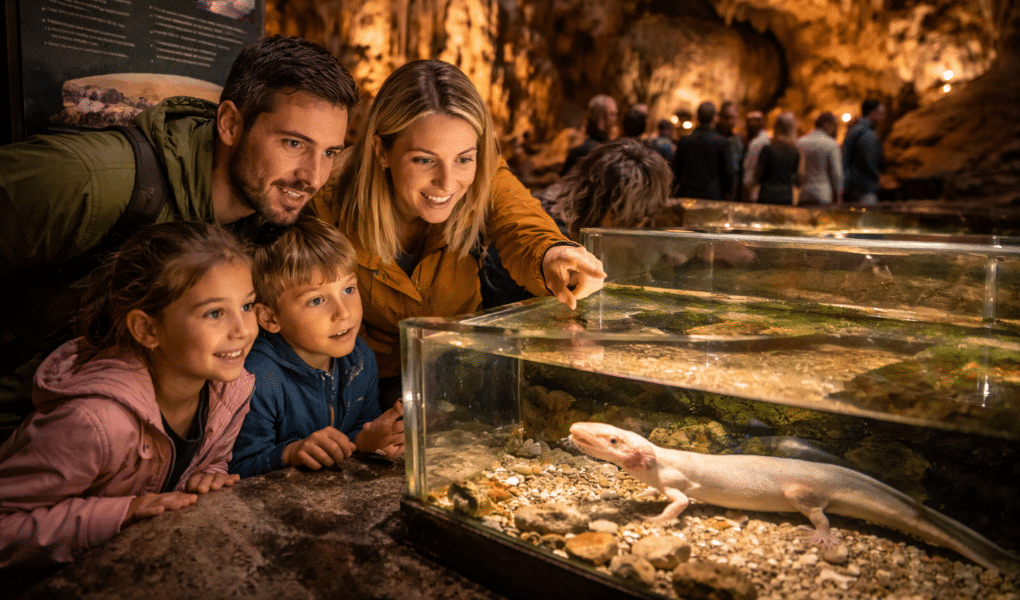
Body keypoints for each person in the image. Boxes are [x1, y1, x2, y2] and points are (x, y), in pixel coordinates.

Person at [0, 36, 359, 437]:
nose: (313, 177)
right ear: (230, 124)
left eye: (329, 152)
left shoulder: (272, 221)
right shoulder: (92, 178)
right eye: (294, 143)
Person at [310, 59, 606, 409]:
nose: (447, 183)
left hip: (461, 363)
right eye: (424, 160)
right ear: (382, 151)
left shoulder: (485, 173)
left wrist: (552, 253)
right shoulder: (326, 198)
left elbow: (522, 224)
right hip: (360, 383)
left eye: (464, 159)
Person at [0, 221, 257, 568]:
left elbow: (211, 459)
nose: (243, 330)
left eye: (247, 306)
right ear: (148, 329)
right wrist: (123, 513)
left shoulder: (231, 392)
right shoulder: (94, 423)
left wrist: (208, 474)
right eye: (214, 313)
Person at [228, 215, 403, 479]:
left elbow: (358, 430)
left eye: (348, 289)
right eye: (317, 300)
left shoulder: (360, 357)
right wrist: (290, 453)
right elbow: (236, 467)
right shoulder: (255, 378)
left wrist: (371, 439)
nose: (343, 312)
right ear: (270, 318)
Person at [481, 137, 674, 308]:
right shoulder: (545, 231)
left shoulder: (559, 209)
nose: (636, 228)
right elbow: (505, 306)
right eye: (633, 219)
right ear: (606, 205)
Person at [671, 101, 734, 201]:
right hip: (712, 195)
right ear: (715, 118)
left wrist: (673, 189)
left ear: (697, 117)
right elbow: (728, 172)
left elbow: (676, 170)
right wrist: (728, 193)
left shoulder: (684, 141)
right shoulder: (721, 142)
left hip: (687, 193)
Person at [753, 112, 804, 205]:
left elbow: (758, 174)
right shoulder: (795, 152)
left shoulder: (768, 149)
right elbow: (799, 176)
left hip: (767, 193)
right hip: (786, 194)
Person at [560, 94, 618, 175]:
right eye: (612, 114)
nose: (616, 119)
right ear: (602, 117)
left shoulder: (576, 152)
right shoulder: (609, 153)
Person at [843, 98, 886, 205]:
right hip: (865, 187)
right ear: (872, 113)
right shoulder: (867, 134)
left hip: (851, 186)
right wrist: (878, 176)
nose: (883, 117)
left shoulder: (853, 130)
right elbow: (868, 160)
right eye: (881, 114)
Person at [796, 111, 843, 205]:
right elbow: (836, 173)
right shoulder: (831, 144)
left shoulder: (800, 142)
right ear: (827, 124)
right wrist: (838, 195)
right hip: (823, 193)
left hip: (803, 193)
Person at [716, 101, 744, 201]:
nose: (730, 121)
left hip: (731, 190)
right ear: (720, 117)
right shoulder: (714, 138)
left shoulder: (736, 140)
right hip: (716, 189)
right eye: (727, 118)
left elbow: (738, 166)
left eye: (733, 118)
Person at [741, 110, 770, 202]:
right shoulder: (749, 140)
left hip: (753, 186)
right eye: (749, 121)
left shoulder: (759, 142)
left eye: (755, 120)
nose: (752, 123)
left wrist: (747, 185)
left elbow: (750, 167)